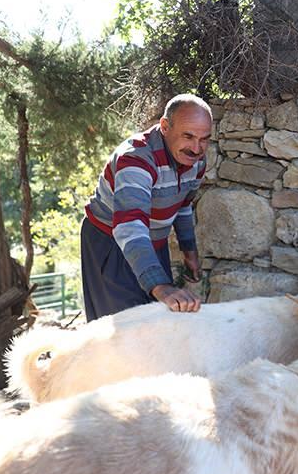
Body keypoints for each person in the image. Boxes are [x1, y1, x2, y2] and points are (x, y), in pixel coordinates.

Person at [80, 94, 213, 321]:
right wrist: (161, 285)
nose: (196, 148)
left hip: (152, 244)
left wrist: (189, 252)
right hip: (112, 243)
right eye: (188, 136)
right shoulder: (135, 160)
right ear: (164, 126)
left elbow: (182, 205)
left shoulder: (196, 161)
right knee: (123, 329)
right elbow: (129, 227)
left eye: (204, 139)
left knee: (155, 320)